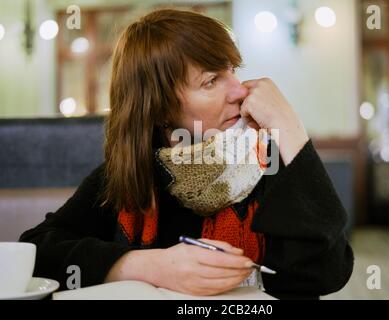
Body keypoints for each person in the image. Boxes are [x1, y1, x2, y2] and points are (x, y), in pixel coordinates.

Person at [20, 9, 353, 299]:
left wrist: (288, 126)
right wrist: (151, 266)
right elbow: (37, 251)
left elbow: (329, 271)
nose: (238, 90)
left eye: (231, 69)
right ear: (161, 109)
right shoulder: (129, 175)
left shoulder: (270, 161)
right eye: (210, 81)